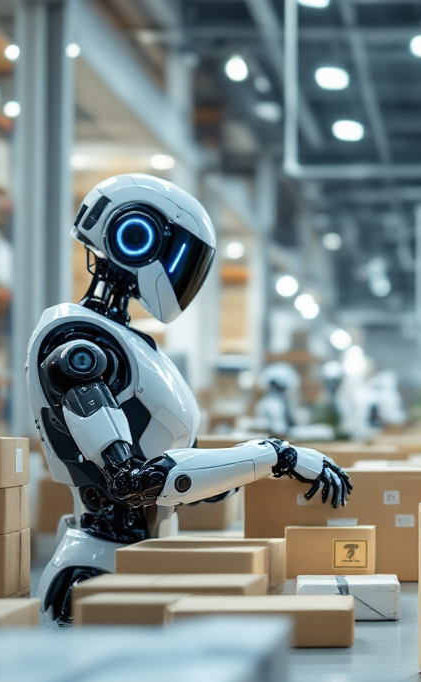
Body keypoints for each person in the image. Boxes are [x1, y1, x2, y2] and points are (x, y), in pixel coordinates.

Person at [28, 173, 351, 624]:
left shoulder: (129, 344)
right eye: (182, 255)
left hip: (140, 560)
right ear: (133, 235)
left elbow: (184, 477)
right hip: (99, 571)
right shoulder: (80, 347)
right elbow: (131, 481)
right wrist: (274, 455)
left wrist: (256, 468)